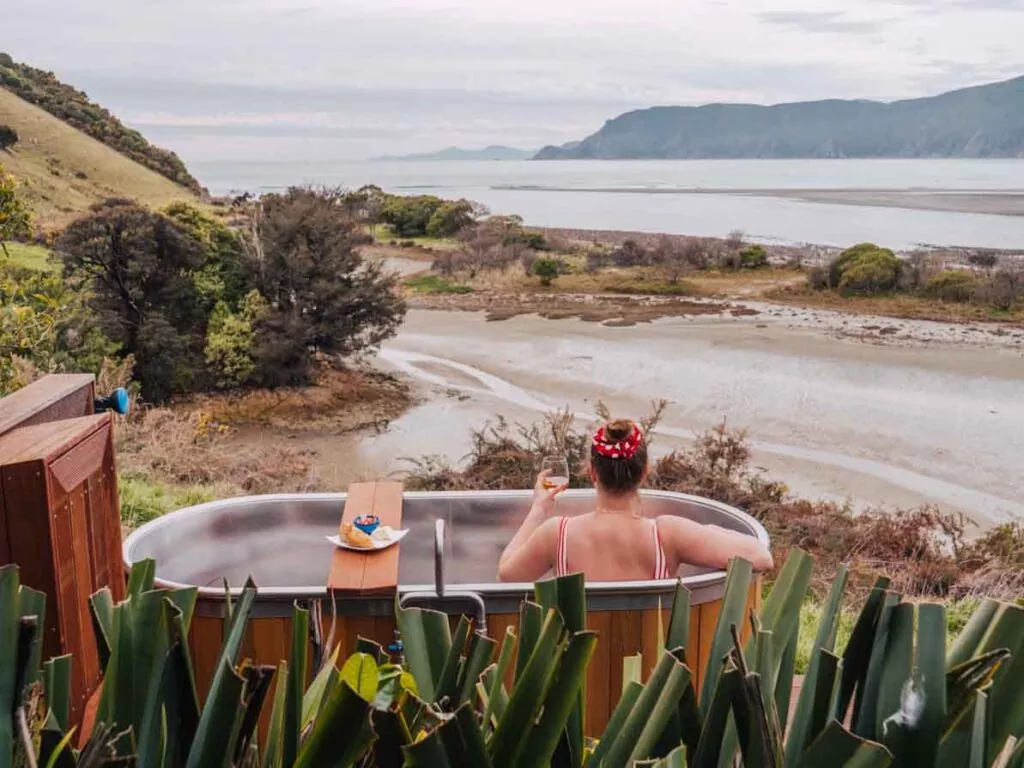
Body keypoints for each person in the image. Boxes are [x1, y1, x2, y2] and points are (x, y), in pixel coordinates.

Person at [497, 419, 773, 582]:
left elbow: (506, 576)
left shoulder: (556, 533)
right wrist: (708, 532)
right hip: (649, 677)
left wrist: (538, 510)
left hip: (579, 676)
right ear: (644, 473)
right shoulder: (668, 534)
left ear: (592, 472)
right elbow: (761, 558)